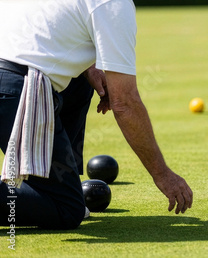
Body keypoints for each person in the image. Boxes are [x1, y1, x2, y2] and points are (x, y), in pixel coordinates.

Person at [0, 0, 192, 229]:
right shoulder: (114, 4)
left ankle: (59, 177)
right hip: (14, 86)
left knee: (80, 82)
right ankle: (57, 191)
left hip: (11, 79)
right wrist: (163, 174)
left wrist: (89, 69)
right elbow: (125, 103)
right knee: (67, 209)